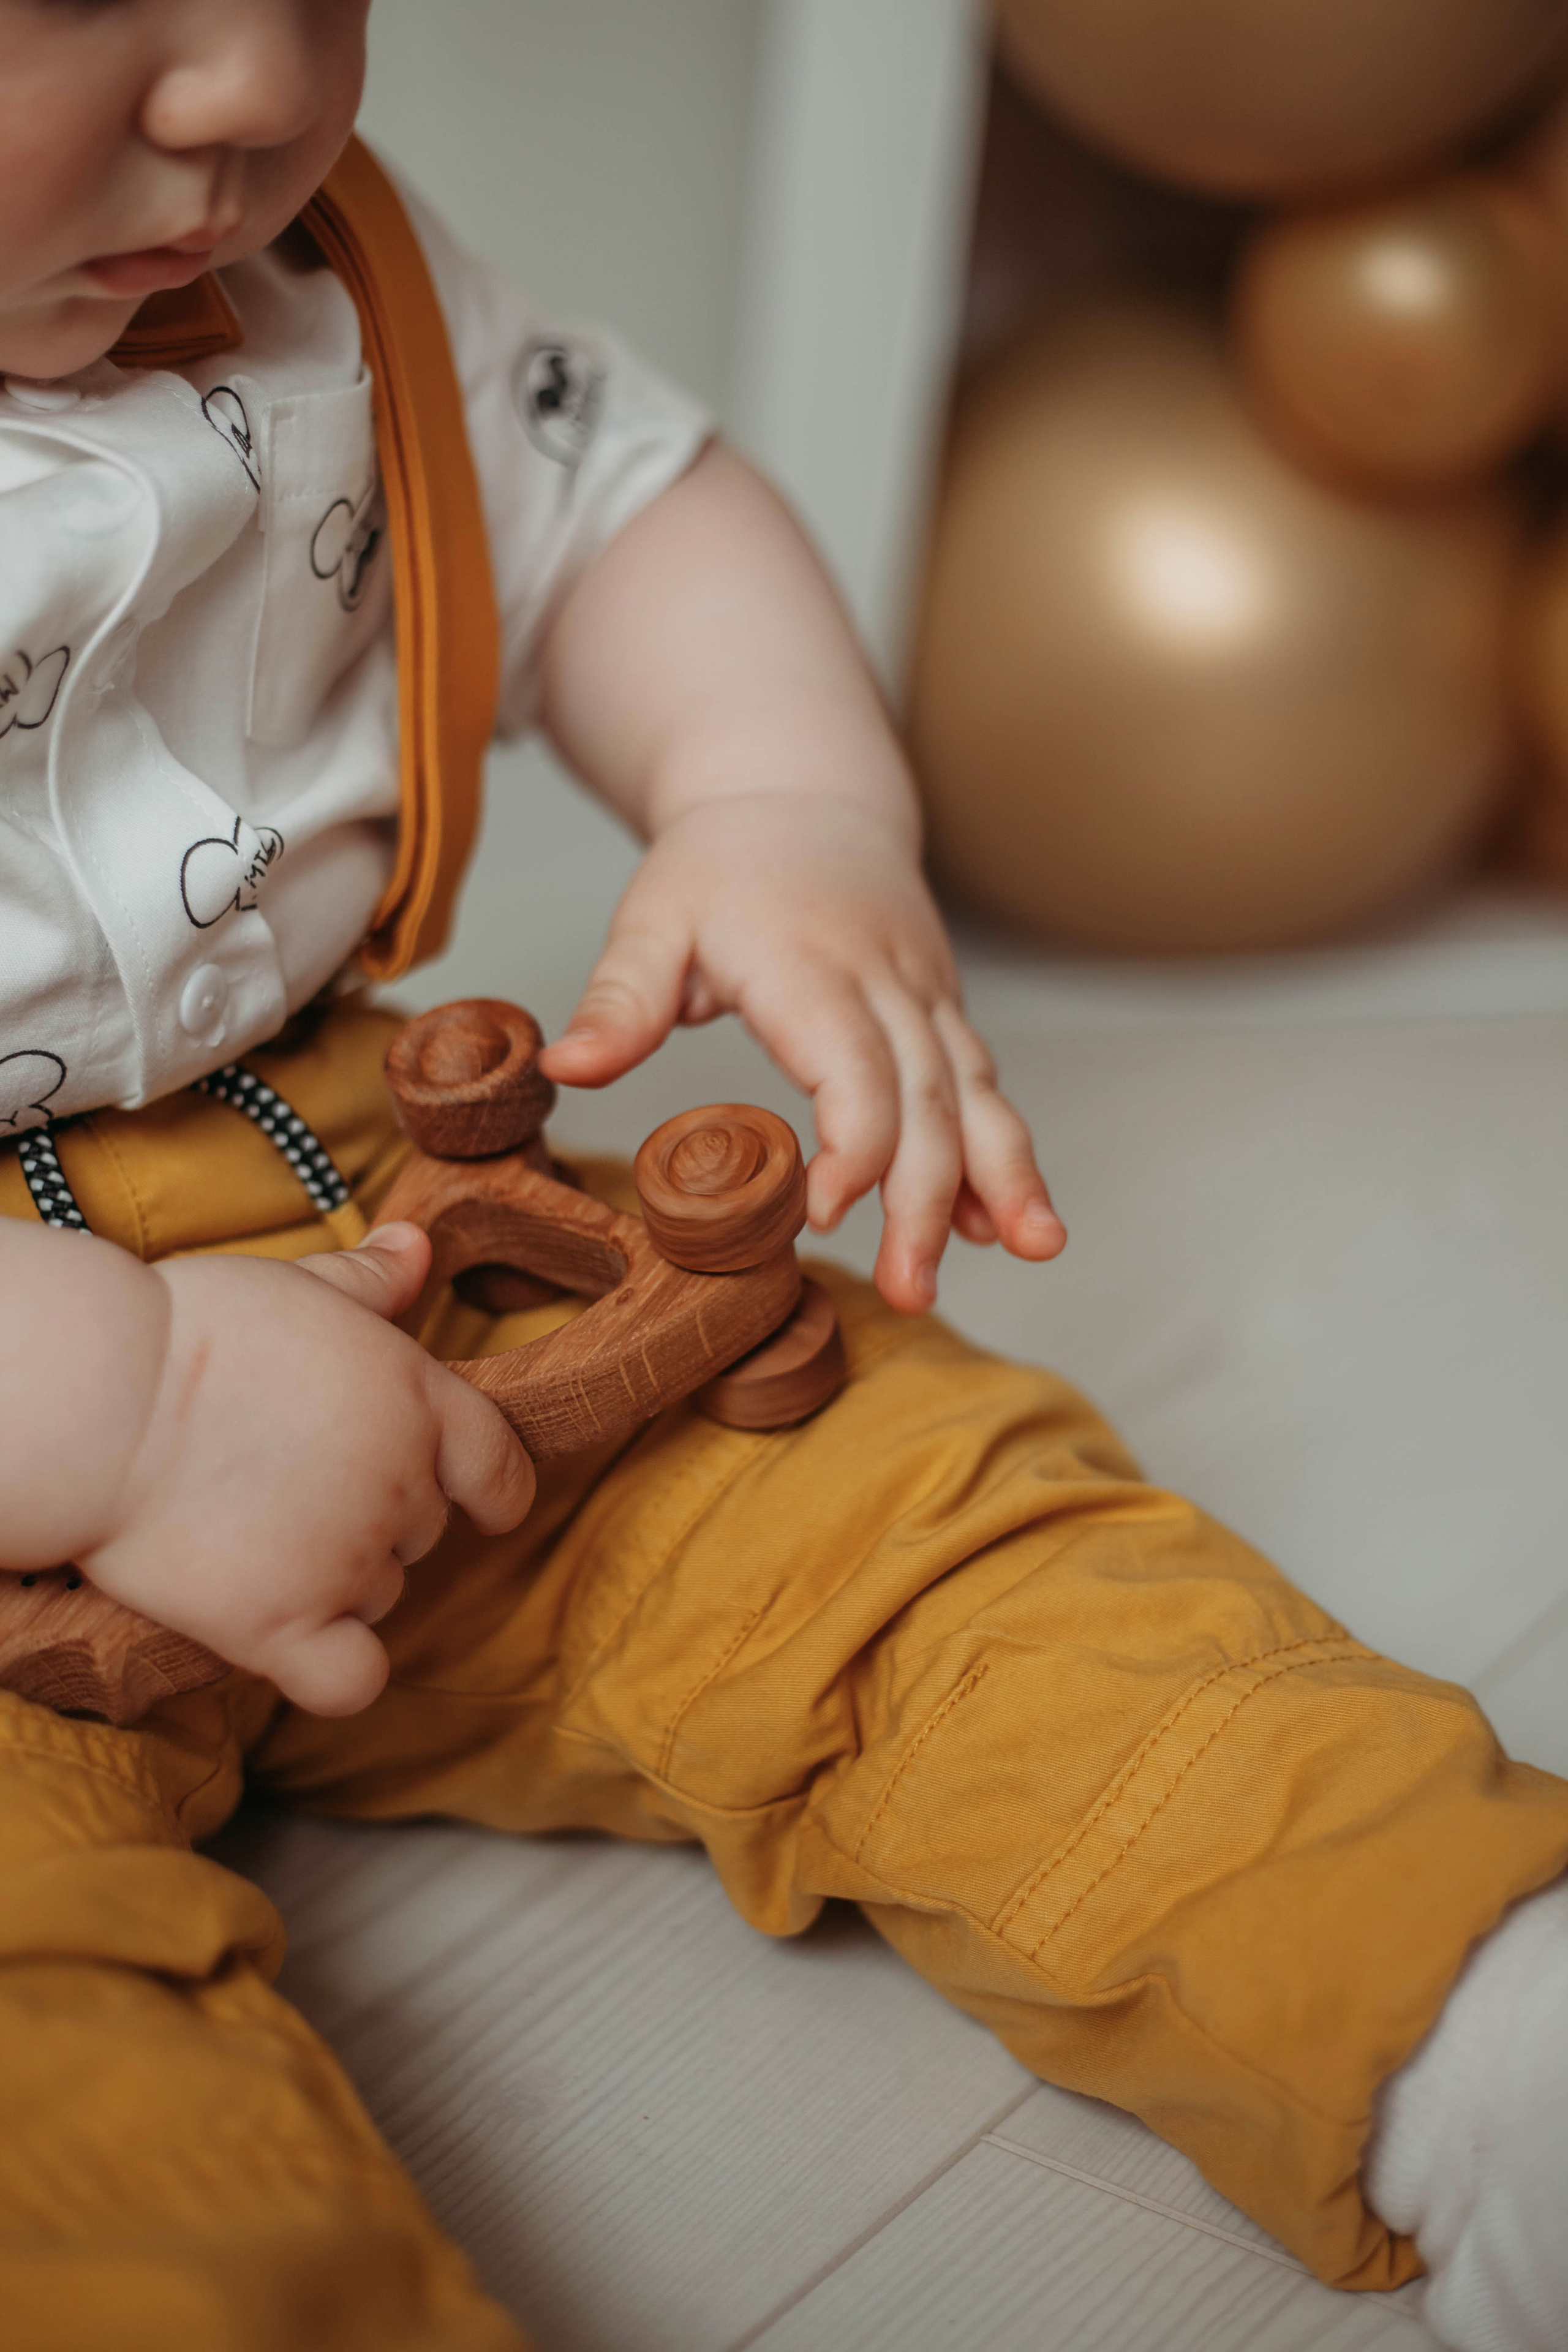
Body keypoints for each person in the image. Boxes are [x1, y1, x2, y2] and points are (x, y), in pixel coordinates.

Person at [0, 5, 1562, 2348]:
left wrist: (774, 804)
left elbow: (620, 503)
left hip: (336, 1173)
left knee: (886, 1508)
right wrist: (119, 1406)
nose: (238, 89)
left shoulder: (320, 273)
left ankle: (1459, 2009)